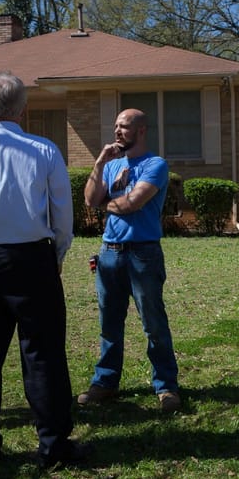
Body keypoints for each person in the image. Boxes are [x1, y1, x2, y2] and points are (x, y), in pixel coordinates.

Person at [0, 72, 92, 467]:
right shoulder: (44, 151)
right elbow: (62, 217)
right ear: (24, 109)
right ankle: (54, 446)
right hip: (33, 260)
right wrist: (54, 255)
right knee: (43, 355)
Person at [80, 108, 181, 413]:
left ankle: (166, 386)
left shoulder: (155, 165)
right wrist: (100, 164)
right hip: (110, 252)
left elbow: (132, 204)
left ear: (141, 131)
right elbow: (89, 199)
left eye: (124, 127)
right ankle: (105, 382)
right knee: (109, 323)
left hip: (143, 253)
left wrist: (105, 204)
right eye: (116, 127)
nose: (118, 132)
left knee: (153, 323)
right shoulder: (110, 166)